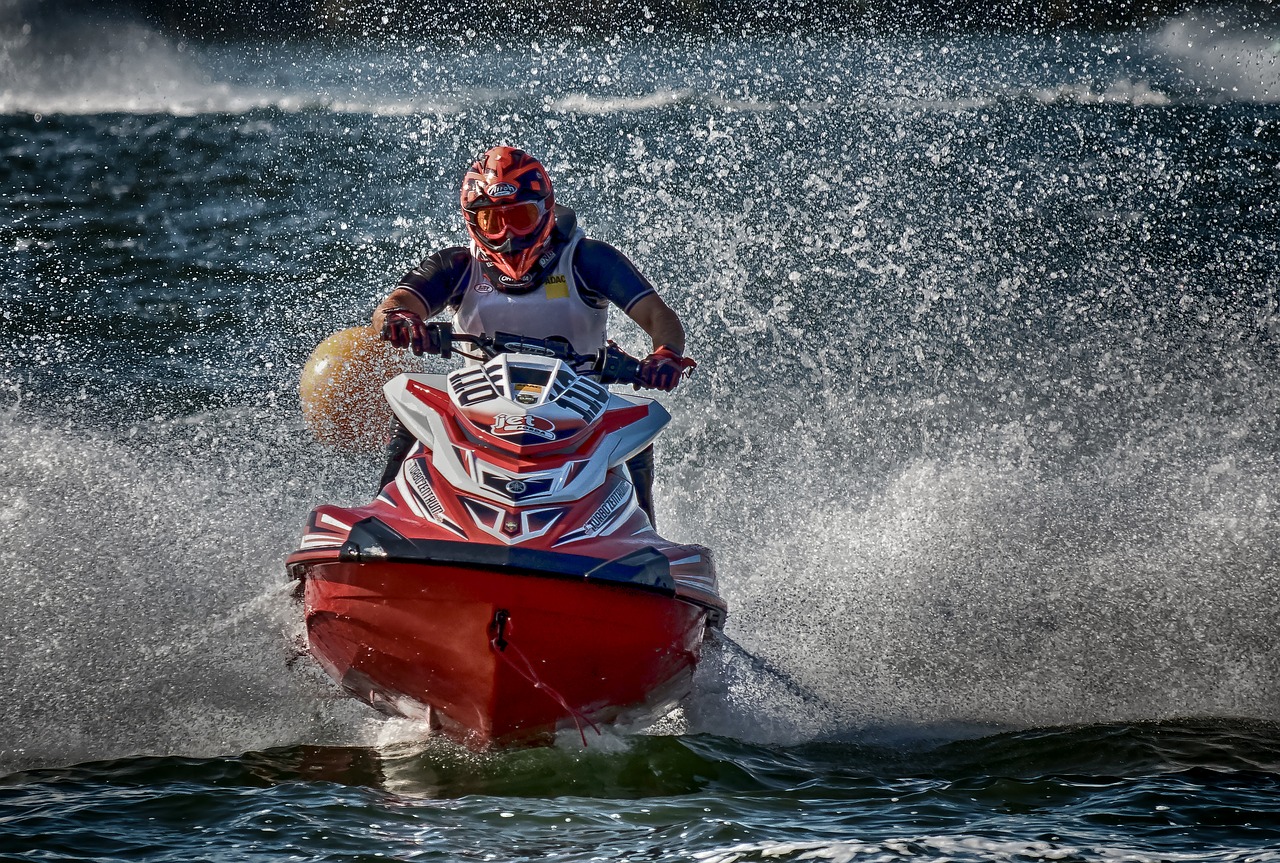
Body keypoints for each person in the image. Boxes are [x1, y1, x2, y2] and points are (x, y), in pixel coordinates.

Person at [371, 145, 695, 526]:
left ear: (544, 210)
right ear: (473, 222)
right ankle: (380, 517)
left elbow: (659, 316)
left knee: (633, 422)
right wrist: (401, 319)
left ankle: (645, 540)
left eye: (520, 218)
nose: (508, 236)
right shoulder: (457, 265)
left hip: (578, 413)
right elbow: (393, 305)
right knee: (412, 407)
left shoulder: (588, 260)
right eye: (493, 222)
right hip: (475, 411)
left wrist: (665, 354)